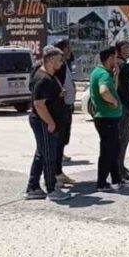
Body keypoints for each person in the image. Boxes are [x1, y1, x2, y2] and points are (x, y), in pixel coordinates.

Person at [25, 46, 71, 201]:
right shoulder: (42, 78)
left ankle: (33, 187)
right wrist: (50, 122)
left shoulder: (51, 76)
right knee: (49, 155)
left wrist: (59, 94)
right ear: (50, 59)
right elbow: (39, 104)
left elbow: (48, 98)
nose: (61, 62)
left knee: (41, 153)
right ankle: (51, 189)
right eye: (59, 59)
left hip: (48, 121)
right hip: (42, 122)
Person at [89, 45, 124, 190]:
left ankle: (116, 179)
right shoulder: (102, 74)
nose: (116, 60)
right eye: (115, 57)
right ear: (109, 58)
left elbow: (112, 89)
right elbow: (104, 91)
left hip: (109, 118)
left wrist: (115, 76)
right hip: (106, 118)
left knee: (114, 149)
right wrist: (114, 101)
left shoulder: (103, 72)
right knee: (107, 151)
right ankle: (101, 182)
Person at [52, 39, 77, 183]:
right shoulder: (58, 67)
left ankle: (58, 172)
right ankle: (55, 174)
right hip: (60, 108)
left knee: (63, 140)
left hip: (67, 106)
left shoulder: (65, 64)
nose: (70, 51)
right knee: (58, 141)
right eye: (67, 48)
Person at [114, 40, 129, 180]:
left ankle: (120, 166)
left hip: (119, 105)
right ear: (119, 50)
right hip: (123, 106)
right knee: (123, 138)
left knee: (122, 138)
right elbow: (126, 89)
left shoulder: (119, 63)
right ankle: (119, 169)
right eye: (126, 48)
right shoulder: (122, 65)